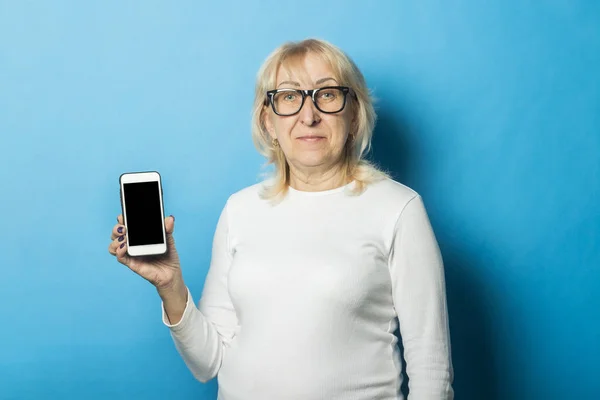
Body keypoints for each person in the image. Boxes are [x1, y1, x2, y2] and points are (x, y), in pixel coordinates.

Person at [108, 38, 454, 400]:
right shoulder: (240, 210)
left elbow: (432, 372)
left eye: (328, 94)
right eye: (289, 97)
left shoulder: (398, 208)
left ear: (354, 115)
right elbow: (207, 363)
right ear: (268, 121)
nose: (309, 115)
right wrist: (170, 287)